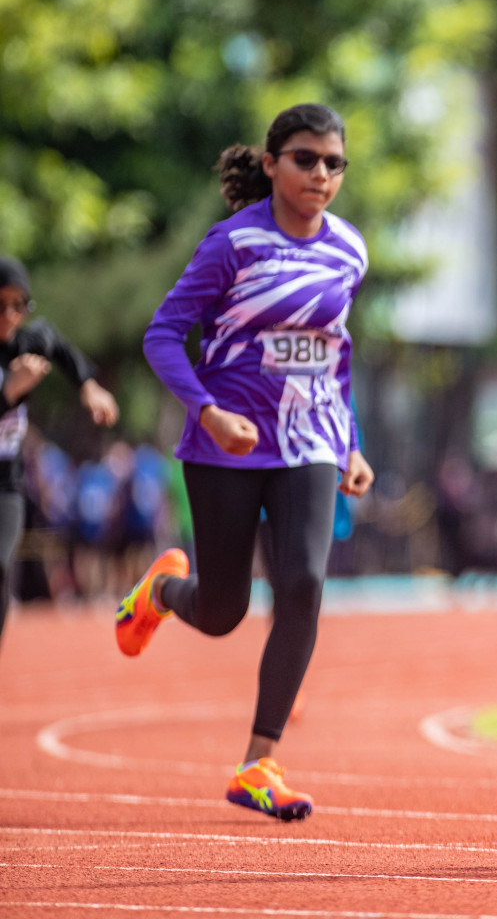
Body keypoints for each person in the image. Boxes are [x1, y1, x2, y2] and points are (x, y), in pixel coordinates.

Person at [115, 103, 374, 822]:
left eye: (333, 163)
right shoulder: (233, 245)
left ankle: (258, 763)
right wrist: (207, 410)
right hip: (227, 445)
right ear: (270, 164)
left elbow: (336, 358)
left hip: (311, 442)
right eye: (304, 158)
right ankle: (165, 593)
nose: (320, 174)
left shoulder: (349, 250)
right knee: (224, 610)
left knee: (304, 583)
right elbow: (163, 335)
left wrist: (350, 440)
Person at [0, 257, 119, 649]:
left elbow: (58, 344)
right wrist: (9, 393)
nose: (9, 316)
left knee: (1, 566)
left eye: (19, 305)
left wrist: (87, 385)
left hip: (6, 480)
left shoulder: (27, 341)